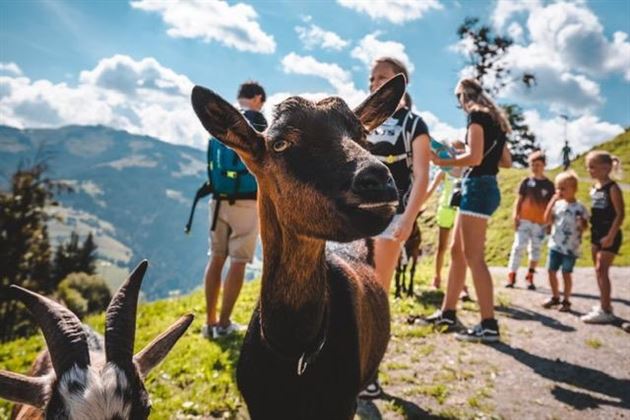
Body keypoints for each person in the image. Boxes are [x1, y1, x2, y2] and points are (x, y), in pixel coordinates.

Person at [360, 57, 431, 398]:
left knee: (376, 295)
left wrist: (408, 218)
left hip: (390, 220)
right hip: (355, 221)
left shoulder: (413, 123)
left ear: (401, 82)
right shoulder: (359, 122)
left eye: (383, 78)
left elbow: (421, 176)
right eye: (372, 78)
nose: (375, 84)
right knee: (350, 293)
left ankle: (369, 373)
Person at [426, 77, 512, 343]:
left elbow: (474, 158)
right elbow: (506, 161)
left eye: (458, 99)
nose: (460, 104)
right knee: (457, 252)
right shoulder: (496, 120)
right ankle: (448, 313)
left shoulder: (476, 115)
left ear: (463, 95)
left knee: (474, 257)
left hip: (476, 187)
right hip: (485, 186)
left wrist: (442, 160)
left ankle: (489, 324)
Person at [201, 81, 268, 339]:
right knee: (239, 262)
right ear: (258, 98)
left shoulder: (222, 122)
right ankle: (224, 323)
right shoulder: (257, 122)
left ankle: (209, 323)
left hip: (218, 200)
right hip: (247, 203)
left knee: (216, 257)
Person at [581, 151, 625, 324]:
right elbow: (597, 211)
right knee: (598, 271)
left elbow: (620, 214)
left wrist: (611, 236)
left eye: (592, 167)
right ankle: (604, 305)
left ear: (606, 168)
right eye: (588, 167)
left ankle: (606, 310)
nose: (589, 170)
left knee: (602, 269)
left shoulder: (613, 188)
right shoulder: (594, 188)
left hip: (610, 234)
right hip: (596, 234)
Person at [425, 141, 470, 301]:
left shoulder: (467, 171)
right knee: (442, 247)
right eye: (455, 150)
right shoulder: (444, 171)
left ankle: (462, 286)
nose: (457, 153)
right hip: (445, 210)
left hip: (461, 210)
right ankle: (436, 279)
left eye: (461, 150)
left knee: (460, 250)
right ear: (449, 151)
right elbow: (430, 190)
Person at [506, 151, 554, 290]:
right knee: (518, 247)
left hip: (540, 223)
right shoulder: (526, 182)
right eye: (533, 165)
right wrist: (515, 215)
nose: (535, 167)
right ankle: (512, 275)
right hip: (524, 221)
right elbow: (519, 200)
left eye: (538, 165)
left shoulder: (549, 185)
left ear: (544, 165)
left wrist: (550, 222)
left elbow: (552, 206)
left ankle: (530, 276)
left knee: (536, 249)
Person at [541, 171, 588, 312]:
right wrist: (551, 202)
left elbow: (585, 226)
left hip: (570, 247)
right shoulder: (558, 205)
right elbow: (546, 219)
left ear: (574, 189)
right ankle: (555, 296)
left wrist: (582, 224)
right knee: (551, 271)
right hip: (555, 245)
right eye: (558, 188)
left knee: (566, 274)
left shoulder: (580, 207)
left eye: (563, 188)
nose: (560, 191)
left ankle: (566, 300)